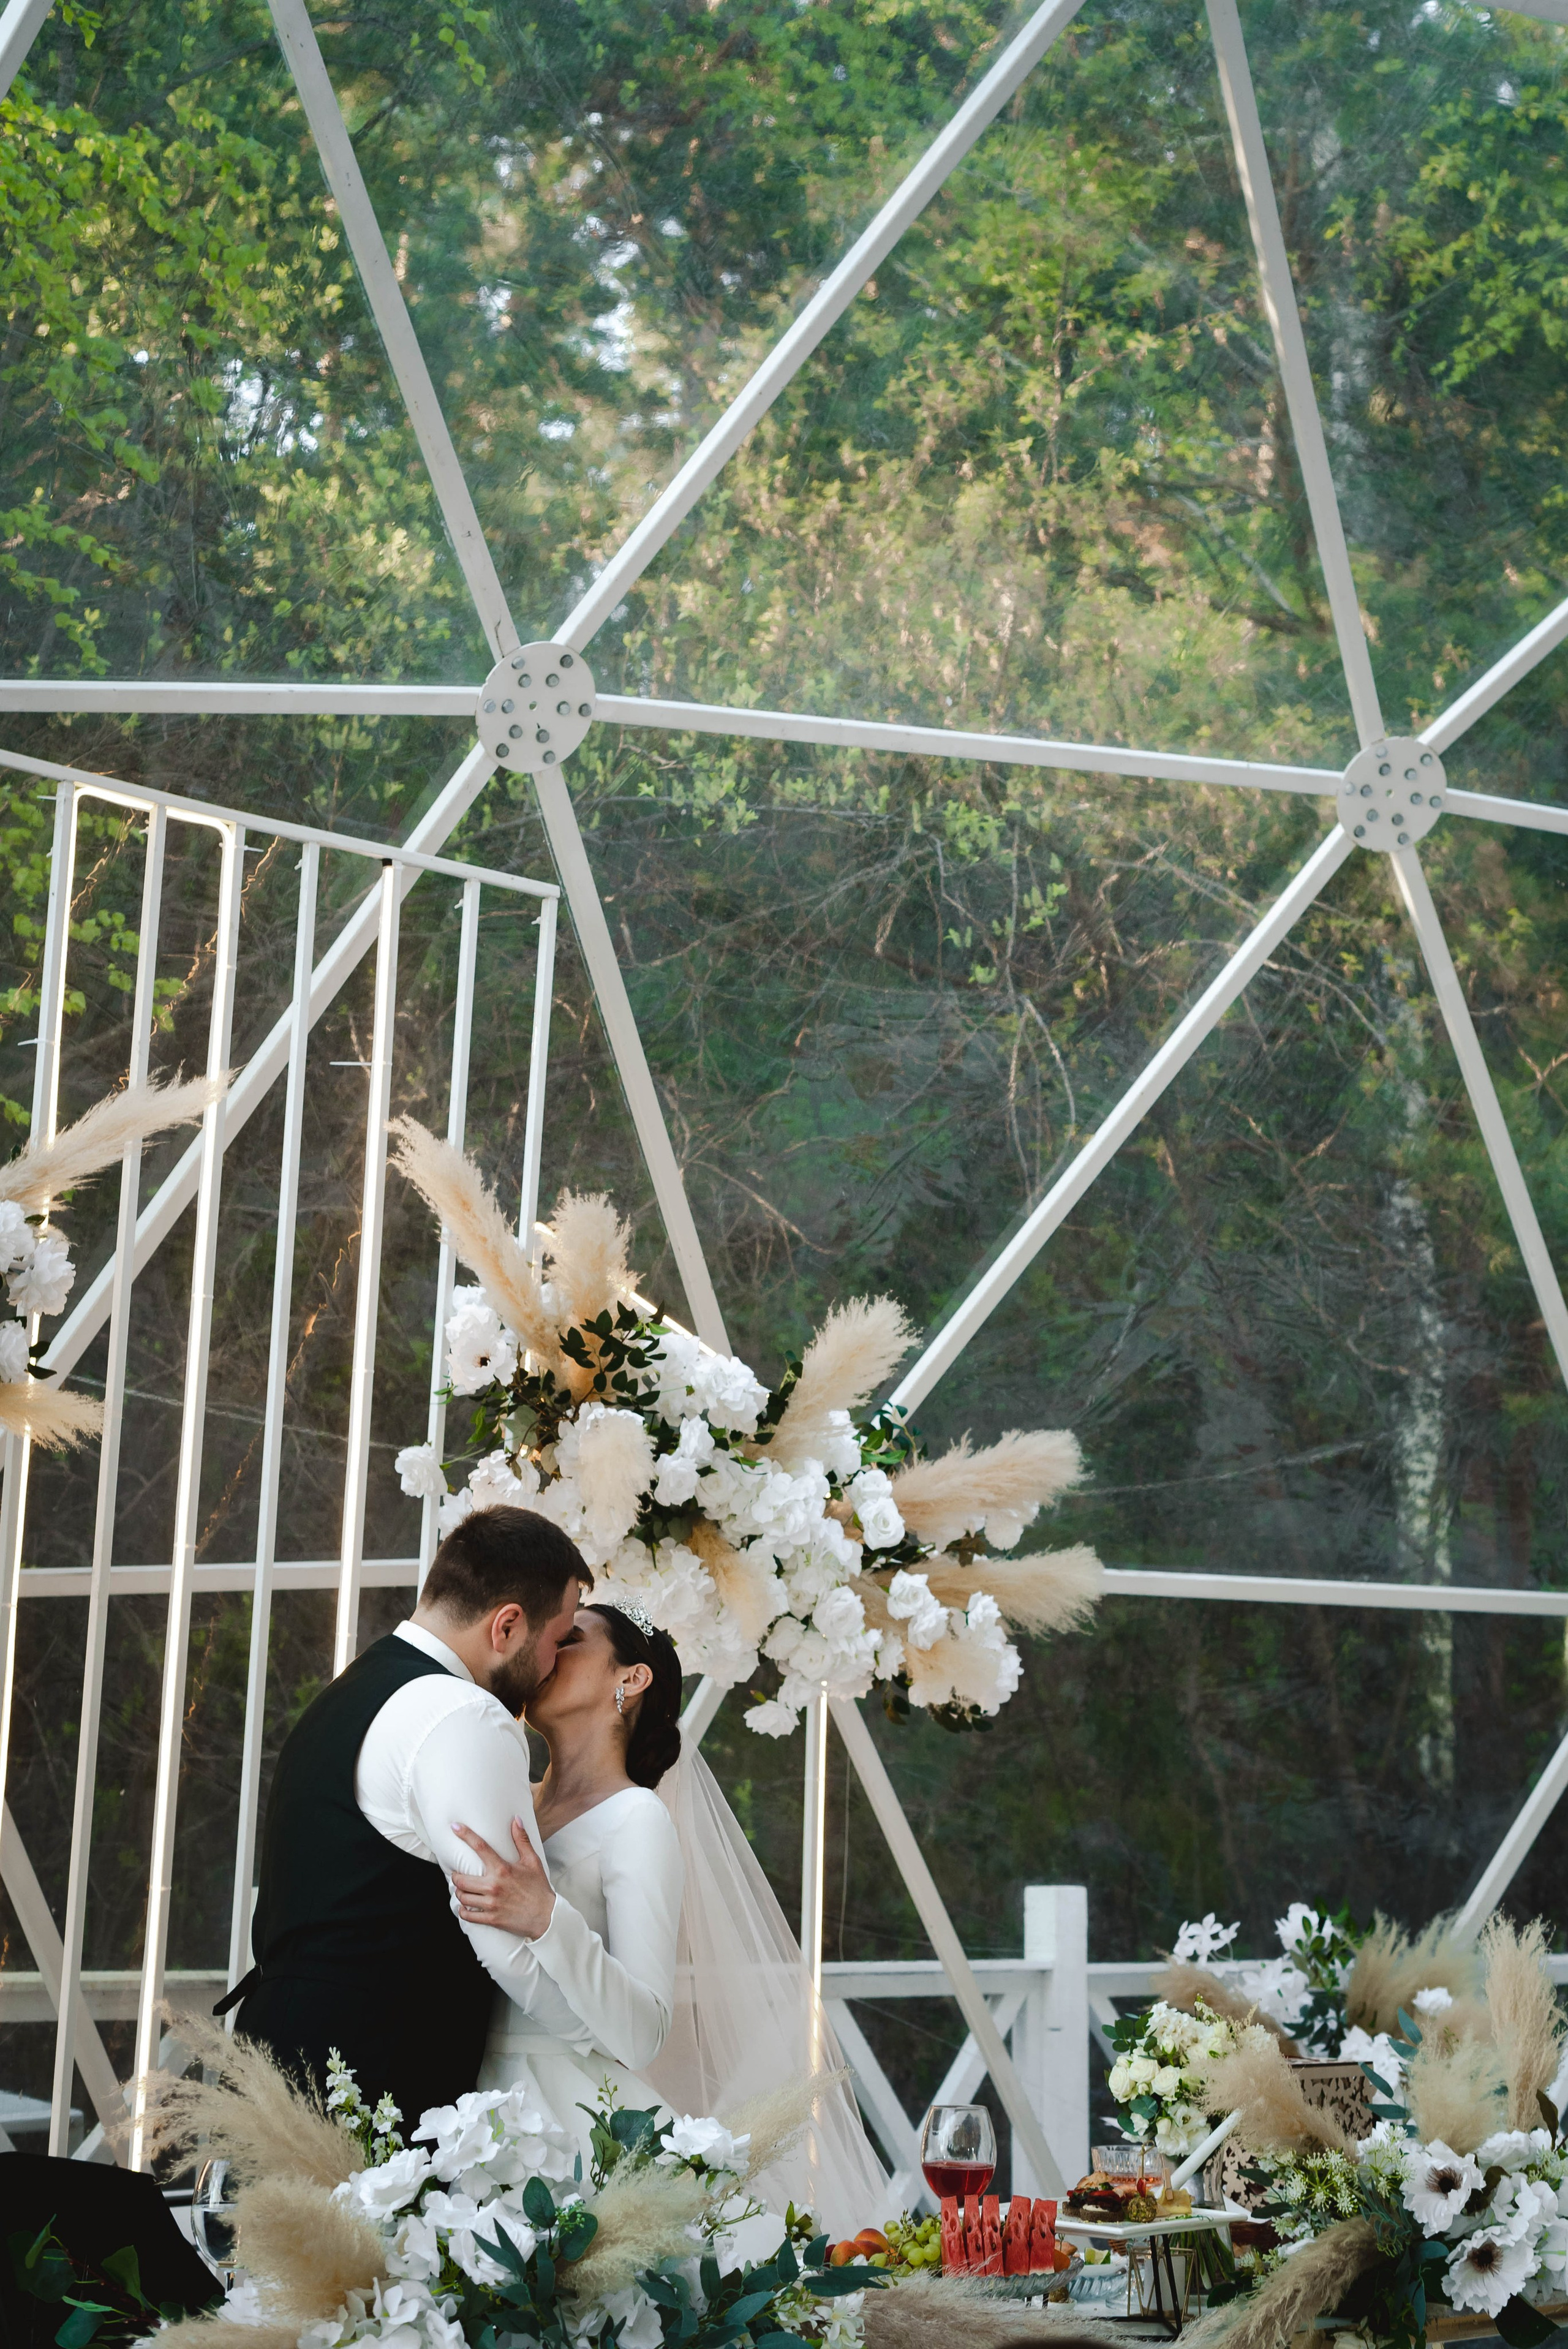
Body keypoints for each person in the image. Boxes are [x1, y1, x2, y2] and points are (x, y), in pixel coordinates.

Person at [450, 1597, 892, 2228]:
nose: (545, 1651)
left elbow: (641, 2033)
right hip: (465, 2093)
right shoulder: (510, 1797)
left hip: (565, 2123)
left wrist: (549, 1918)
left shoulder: (637, 1820)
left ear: (630, 1678)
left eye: (570, 1638)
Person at [224, 1504, 590, 2123]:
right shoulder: (465, 1715)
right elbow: (509, 1946)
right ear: (507, 1626)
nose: (556, 1665)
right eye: (557, 1640)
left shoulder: (348, 1695)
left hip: (276, 2059)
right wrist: (612, 2037)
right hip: (369, 2089)